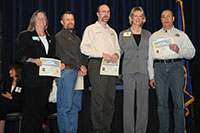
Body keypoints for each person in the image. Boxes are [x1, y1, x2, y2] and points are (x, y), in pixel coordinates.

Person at [148, 9, 195, 133]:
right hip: (159, 69)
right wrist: (151, 76)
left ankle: (179, 130)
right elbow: (149, 58)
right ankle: (164, 130)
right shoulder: (154, 36)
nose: (166, 19)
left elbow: (192, 53)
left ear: (173, 18)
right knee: (162, 103)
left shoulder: (181, 35)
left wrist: (179, 50)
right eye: (163, 16)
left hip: (176, 68)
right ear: (161, 19)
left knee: (178, 103)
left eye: (168, 16)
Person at [80, 4, 120, 133]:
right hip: (97, 64)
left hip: (111, 67)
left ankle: (107, 128)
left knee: (109, 99)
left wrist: (116, 55)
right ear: (98, 14)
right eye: (103, 11)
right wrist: (101, 54)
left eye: (108, 11)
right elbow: (84, 48)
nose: (106, 14)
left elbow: (118, 49)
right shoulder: (91, 29)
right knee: (99, 99)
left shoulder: (112, 31)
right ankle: (98, 129)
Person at [16, 10, 55, 133]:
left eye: (44, 18)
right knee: (30, 112)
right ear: (34, 20)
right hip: (31, 81)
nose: (42, 20)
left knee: (41, 112)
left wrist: (60, 64)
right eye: (39, 18)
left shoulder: (50, 38)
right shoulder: (25, 36)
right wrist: (33, 60)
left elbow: (53, 57)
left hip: (46, 82)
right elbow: (19, 56)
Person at [119, 6, 151, 133]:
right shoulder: (123, 34)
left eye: (140, 16)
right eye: (135, 16)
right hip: (128, 72)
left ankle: (141, 130)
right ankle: (129, 130)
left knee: (143, 104)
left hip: (144, 71)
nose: (138, 18)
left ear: (143, 19)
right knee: (128, 104)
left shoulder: (148, 34)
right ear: (131, 18)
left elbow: (152, 55)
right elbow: (118, 53)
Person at [55, 11, 87, 133]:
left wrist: (84, 66)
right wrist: (80, 66)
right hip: (67, 73)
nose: (70, 22)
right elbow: (66, 55)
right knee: (65, 107)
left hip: (77, 74)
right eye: (67, 19)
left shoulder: (77, 38)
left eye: (72, 19)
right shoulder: (59, 37)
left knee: (75, 107)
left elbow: (83, 55)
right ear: (62, 22)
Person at [0, 64, 24, 133]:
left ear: (17, 71)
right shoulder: (7, 83)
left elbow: (23, 98)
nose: (9, 72)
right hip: (6, 104)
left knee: (2, 105)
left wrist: (11, 97)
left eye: (12, 70)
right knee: (2, 105)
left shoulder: (22, 84)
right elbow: (4, 94)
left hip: (17, 105)